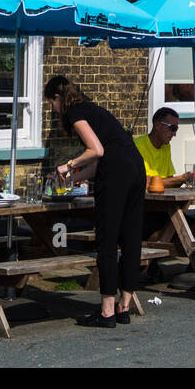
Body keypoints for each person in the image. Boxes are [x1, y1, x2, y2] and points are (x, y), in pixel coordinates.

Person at [46, 74, 146, 329]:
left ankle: (107, 311)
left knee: (108, 240)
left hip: (116, 174)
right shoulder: (94, 109)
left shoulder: (75, 113)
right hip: (135, 167)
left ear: (57, 98)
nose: (52, 109)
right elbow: (102, 158)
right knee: (131, 238)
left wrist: (67, 164)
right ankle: (124, 306)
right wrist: (74, 175)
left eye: (51, 104)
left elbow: (96, 151)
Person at [133, 108, 195, 187]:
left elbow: (170, 181)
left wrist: (186, 179)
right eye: (172, 128)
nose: (174, 134)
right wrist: (181, 178)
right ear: (157, 125)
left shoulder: (166, 146)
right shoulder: (137, 146)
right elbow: (144, 182)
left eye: (176, 129)